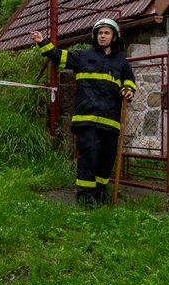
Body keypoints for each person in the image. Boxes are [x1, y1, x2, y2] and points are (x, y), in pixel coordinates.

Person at [31, 19, 136, 207]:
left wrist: (128, 90)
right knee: (89, 157)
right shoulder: (83, 56)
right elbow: (58, 56)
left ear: (114, 37)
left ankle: (99, 192)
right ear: (95, 36)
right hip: (86, 118)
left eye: (106, 33)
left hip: (110, 120)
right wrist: (42, 41)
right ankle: (85, 196)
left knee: (106, 159)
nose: (102, 36)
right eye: (99, 33)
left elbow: (129, 81)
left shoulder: (121, 62)